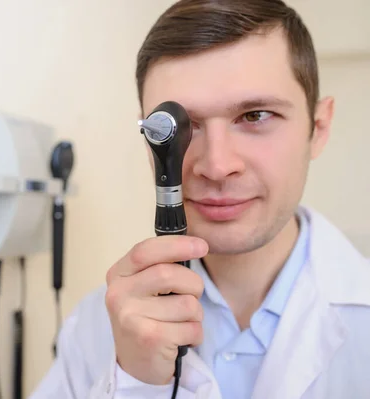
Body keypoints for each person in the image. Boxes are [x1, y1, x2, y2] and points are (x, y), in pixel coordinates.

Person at [30, 1, 370, 398]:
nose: (217, 165)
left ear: (319, 127)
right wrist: (135, 383)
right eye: (178, 126)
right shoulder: (95, 328)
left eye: (256, 116)